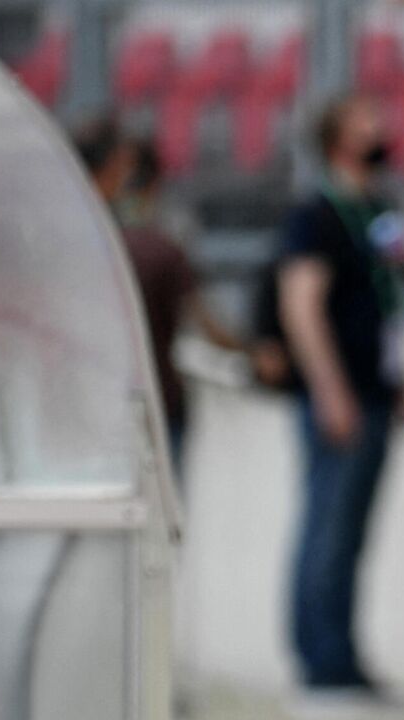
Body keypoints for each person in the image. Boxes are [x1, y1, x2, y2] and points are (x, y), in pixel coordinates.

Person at [277, 94, 404, 703]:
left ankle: (345, 658)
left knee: (354, 532)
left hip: (377, 392)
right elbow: (301, 308)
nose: (380, 127)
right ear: (337, 138)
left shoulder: (379, 209)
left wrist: (401, 382)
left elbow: (389, 305)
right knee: (326, 527)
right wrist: (331, 391)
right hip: (340, 398)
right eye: (366, 119)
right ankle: (319, 663)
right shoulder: (317, 214)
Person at [119, 138, 247, 473]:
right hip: (159, 401)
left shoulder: (91, 244)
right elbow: (206, 324)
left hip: (106, 406)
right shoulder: (163, 249)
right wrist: (252, 350)